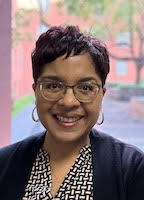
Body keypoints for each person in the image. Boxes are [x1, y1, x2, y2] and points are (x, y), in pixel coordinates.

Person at [0, 25, 144, 200]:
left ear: (101, 95)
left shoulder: (131, 169)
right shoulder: (4, 164)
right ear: (35, 92)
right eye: (53, 86)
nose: (68, 102)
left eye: (85, 87)